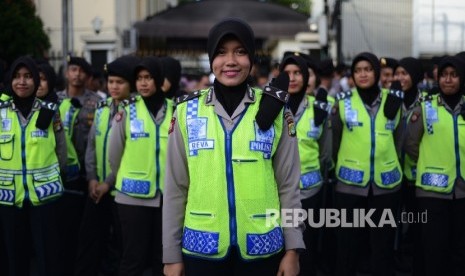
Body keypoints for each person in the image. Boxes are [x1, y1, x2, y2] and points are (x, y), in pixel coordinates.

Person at [163, 18, 305, 276]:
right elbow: (175, 187)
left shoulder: (275, 110)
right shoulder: (186, 112)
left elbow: (289, 186)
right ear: (211, 59)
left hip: (263, 250)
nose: (230, 61)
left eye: (240, 52)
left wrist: (292, 250)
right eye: (221, 52)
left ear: (251, 59)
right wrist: (171, 256)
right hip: (201, 250)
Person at [332, 52, 404, 276]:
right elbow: (335, 140)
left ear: (376, 72)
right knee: (347, 247)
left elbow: (400, 139)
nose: (363, 74)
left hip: (386, 186)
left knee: (382, 248)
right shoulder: (342, 102)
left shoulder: (392, 100)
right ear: (352, 75)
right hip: (349, 186)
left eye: (368, 69)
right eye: (358, 70)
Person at [0, 56, 67, 276]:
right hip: (9, 197)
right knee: (13, 258)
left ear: (36, 81)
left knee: (48, 257)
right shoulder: (1, 111)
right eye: (17, 76)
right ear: (10, 79)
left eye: (28, 76)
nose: (22, 82)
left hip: (44, 196)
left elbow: (61, 150)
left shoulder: (49, 110)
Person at [74, 55, 140, 276]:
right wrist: (92, 178)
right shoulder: (102, 109)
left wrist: (108, 183)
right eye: (111, 82)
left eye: (119, 82)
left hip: (121, 190)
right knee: (89, 242)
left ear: (130, 85)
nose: (113, 86)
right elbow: (92, 145)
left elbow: (131, 155)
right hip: (97, 189)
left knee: (122, 247)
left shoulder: (136, 112)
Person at [107, 56, 173, 276]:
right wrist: (122, 178)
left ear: (159, 79)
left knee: (162, 257)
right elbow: (114, 152)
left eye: (148, 78)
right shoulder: (127, 110)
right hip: (131, 198)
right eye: (139, 79)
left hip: (166, 197)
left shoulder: (176, 110)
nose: (143, 83)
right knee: (133, 258)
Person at [404, 56, 465, 276]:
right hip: (432, 192)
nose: (448, 80)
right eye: (444, 75)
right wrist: (430, 162)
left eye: (454, 75)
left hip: (462, 190)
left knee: (460, 250)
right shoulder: (426, 105)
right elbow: (411, 143)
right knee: (433, 250)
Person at [280, 54, 331, 276]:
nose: (292, 78)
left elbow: (325, 151)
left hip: (310, 191)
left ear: (306, 76)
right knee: (281, 245)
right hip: (278, 191)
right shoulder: (270, 106)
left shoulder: (318, 108)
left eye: (297, 73)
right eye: (287, 73)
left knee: (307, 245)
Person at [56, 56, 102, 275]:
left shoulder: (97, 101)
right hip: (64, 174)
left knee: (88, 230)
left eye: (82, 71)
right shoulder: (55, 101)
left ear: (87, 75)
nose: (77, 74)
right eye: (73, 69)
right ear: (67, 73)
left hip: (90, 173)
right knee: (65, 227)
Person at [392, 57, 425, 274]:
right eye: (398, 73)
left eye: (405, 73)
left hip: (416, 175)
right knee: (391, 222)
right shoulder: (391, 101)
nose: (400, 78)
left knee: (416, 221)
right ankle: (395, 260)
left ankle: (415, 260)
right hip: (392, 175)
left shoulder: (426, 103)